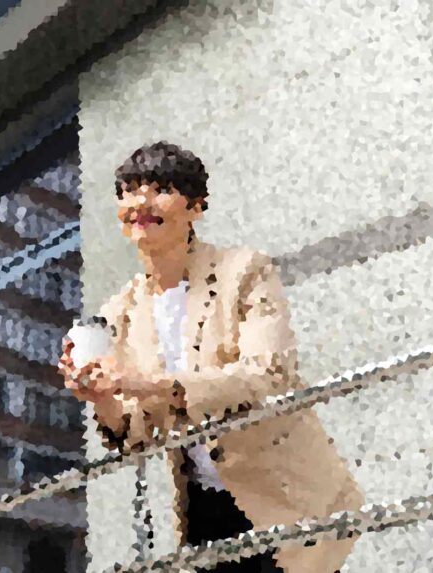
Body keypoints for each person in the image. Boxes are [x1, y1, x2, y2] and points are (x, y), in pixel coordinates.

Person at [58, 142, 363, 573]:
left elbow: (266, 374)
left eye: (160, 189)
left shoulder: (244, 271)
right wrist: (102, 396)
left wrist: (146, 383)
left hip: (285, 493)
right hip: (204, 507)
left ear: (196, 206)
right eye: (128, 192)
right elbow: (135, 432)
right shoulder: (120, 312)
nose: (140, 203)